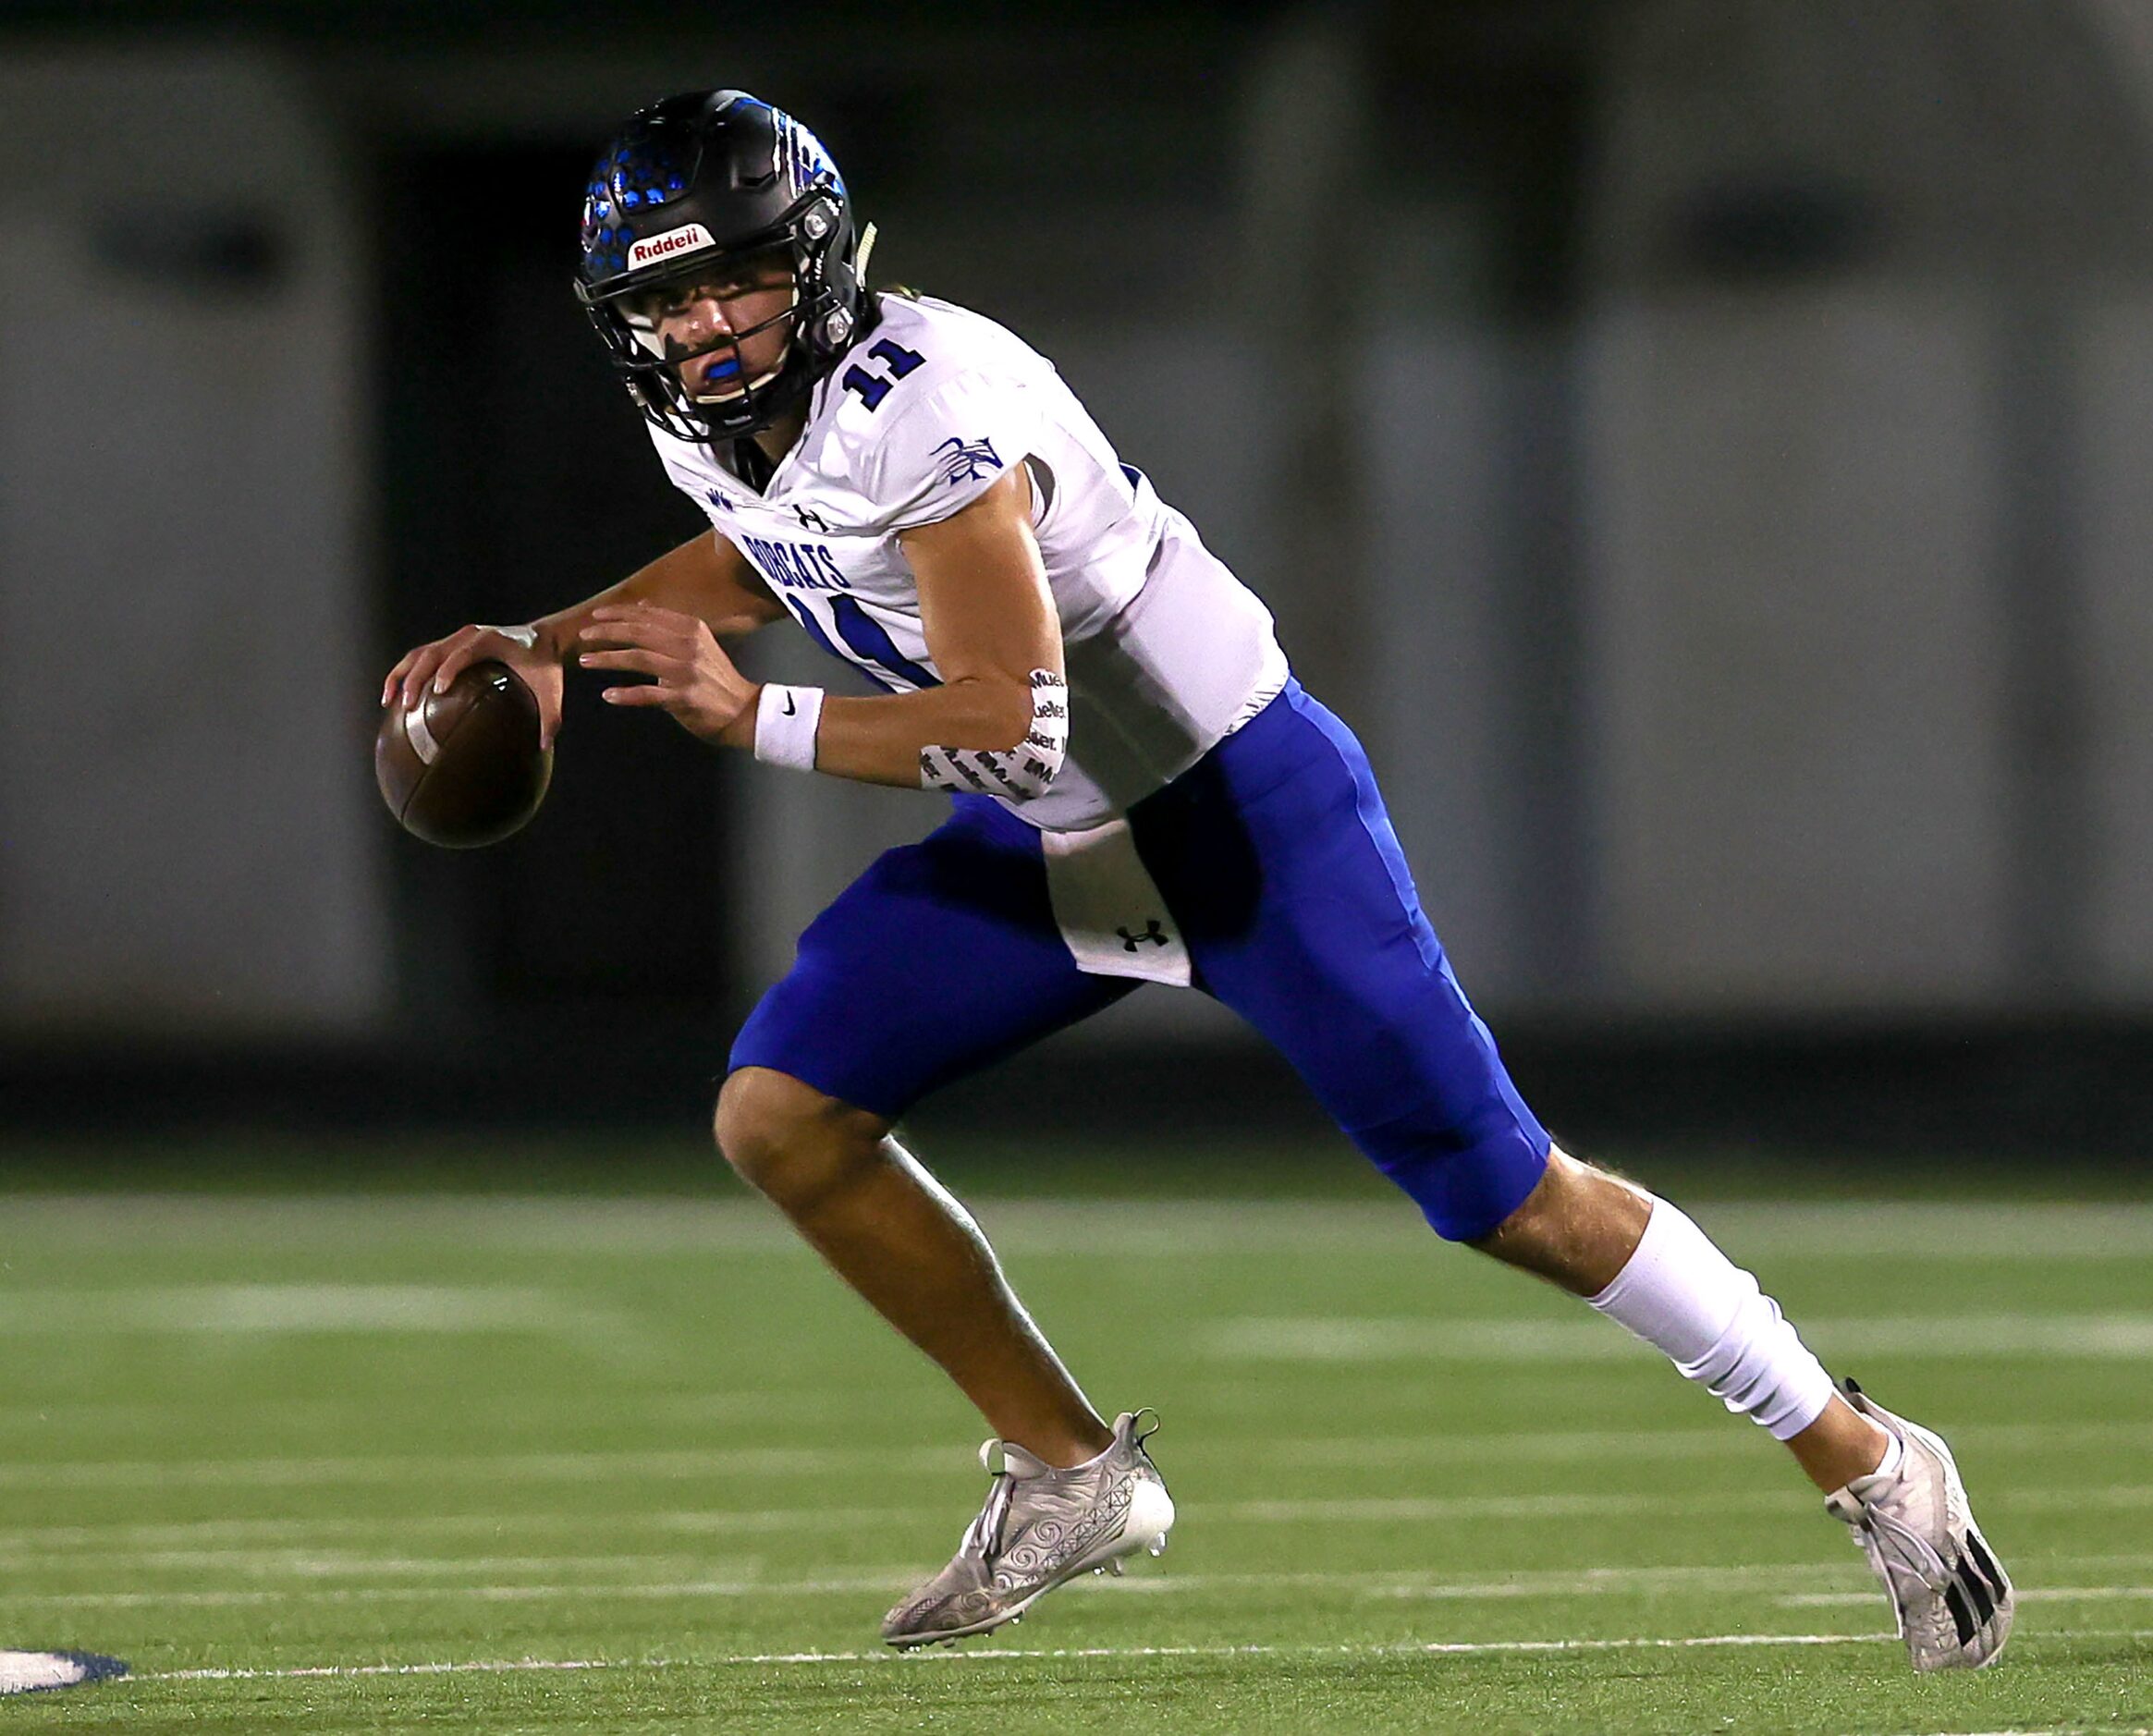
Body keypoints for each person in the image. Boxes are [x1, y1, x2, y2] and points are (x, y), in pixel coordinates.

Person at [383, 91, 2012, 1669]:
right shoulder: (725, 419)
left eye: (735, 277)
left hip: (1238, 812)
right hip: (1058, 843)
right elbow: (775, 547)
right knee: (778, 1113)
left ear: (813, 258)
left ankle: (1867, 1454)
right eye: (669, 300)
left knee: (1511, 1196)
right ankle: (1067, 1468)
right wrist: (547, 638)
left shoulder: (924, 408)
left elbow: (1014, 723)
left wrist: (760, 716)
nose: (709, 326)